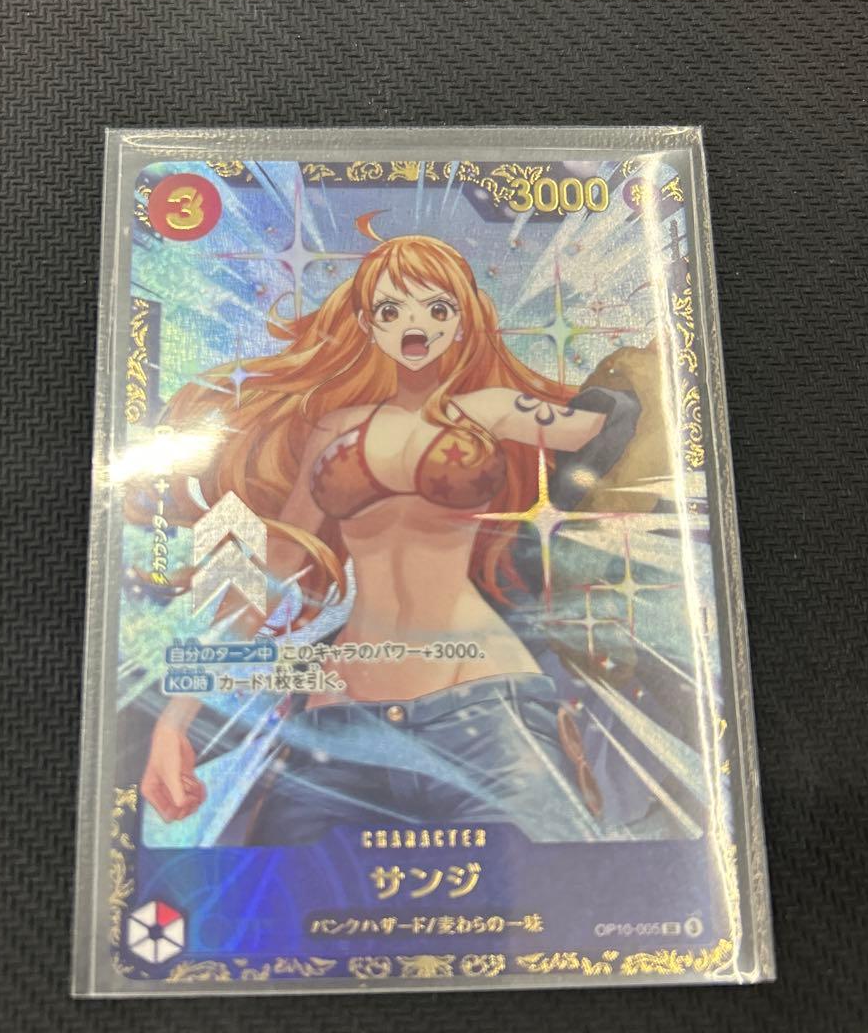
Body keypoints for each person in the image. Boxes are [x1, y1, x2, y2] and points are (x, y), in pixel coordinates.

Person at [138, 233, 640, 843]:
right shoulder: (334, 429)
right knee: (276, 889)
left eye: (437, 307)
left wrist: (653, 362)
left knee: (550, 888)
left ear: (463, 321)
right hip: (344, 724)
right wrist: (175, 721)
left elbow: (603, 424)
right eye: (391, 308)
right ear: (367, 323)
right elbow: (274, 572)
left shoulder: (492, 410)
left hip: (485, 707)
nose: (414, 324)